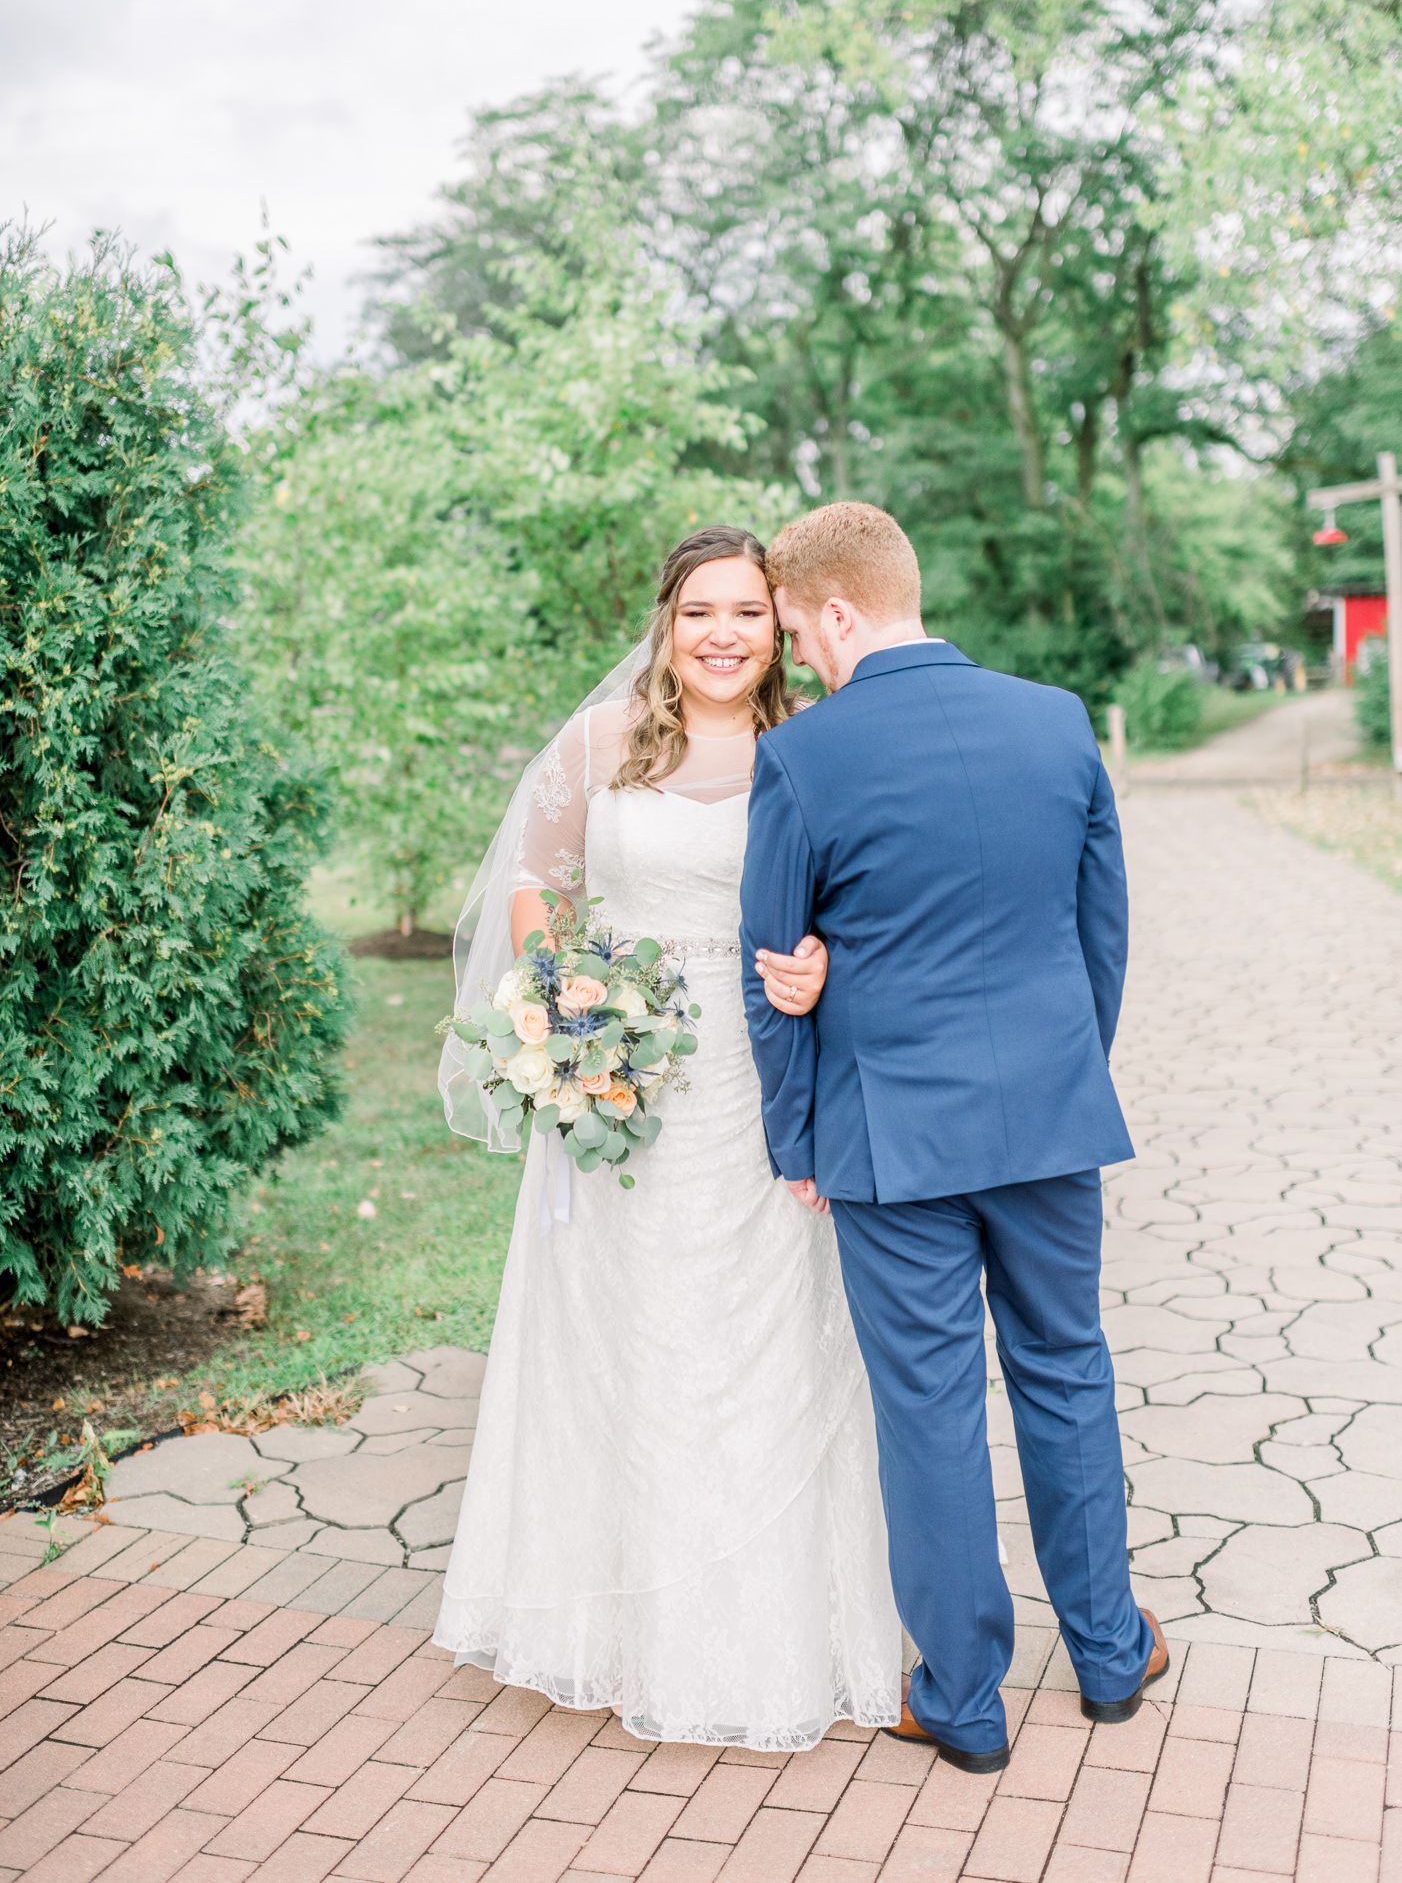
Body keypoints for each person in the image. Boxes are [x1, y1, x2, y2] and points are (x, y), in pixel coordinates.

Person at [432, 525, 901, 1750]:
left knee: (756, 1340)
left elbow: (859, 902)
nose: (725, 636)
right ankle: (610, 1623)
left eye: (750, 612)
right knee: (617, 1334)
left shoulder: (812, 748)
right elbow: (539, 879)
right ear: (666, 620)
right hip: (618, 1078)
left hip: (757, 1084)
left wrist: (821, 963)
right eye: (702, 612)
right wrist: (564, 993)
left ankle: (770, 1627)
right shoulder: (601, 744)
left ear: (780, 623)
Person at [739, 500, 1166, 1776]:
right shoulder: (1055, 721)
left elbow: (774, 972)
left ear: (835, 613)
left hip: (888, 1135)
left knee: (926, 1407)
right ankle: (1106, 1654)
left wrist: (794, 1136)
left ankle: (965, 1702)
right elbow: (1102, 934)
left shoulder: (805, 758)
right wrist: (1059, 1072)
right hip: (1048, 1116)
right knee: (1066, 1368)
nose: (801, 661)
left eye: (800, 636)